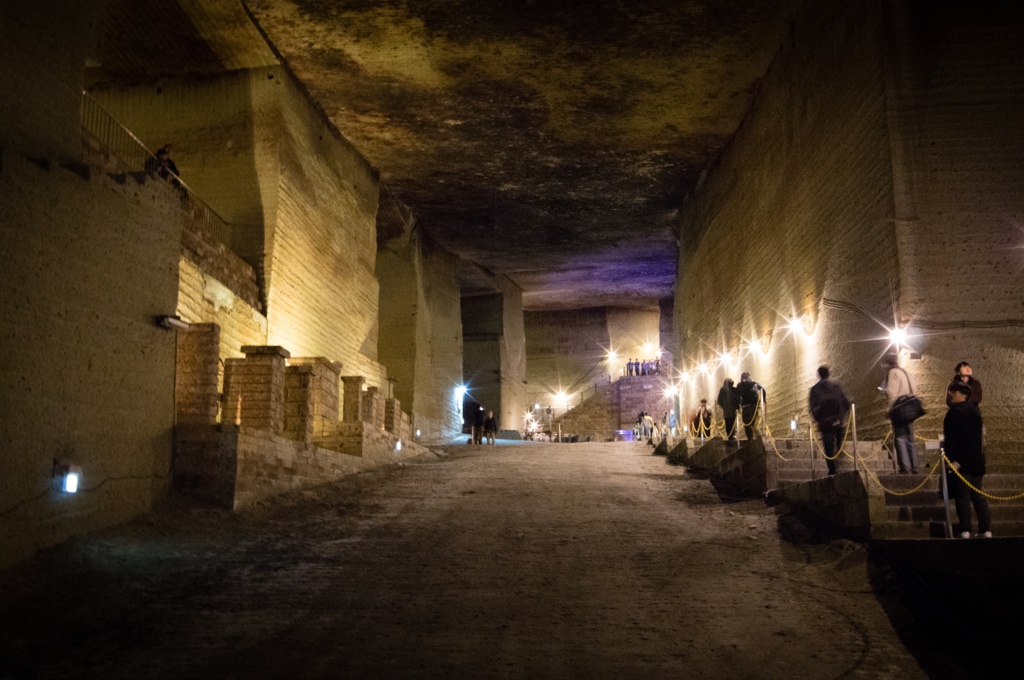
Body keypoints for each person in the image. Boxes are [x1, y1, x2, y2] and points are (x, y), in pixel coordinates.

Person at [944, 382, 991, 538]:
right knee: (978, 496)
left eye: (954, 391)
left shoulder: (954, 413)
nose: (952, 394)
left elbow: (952, 440)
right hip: (977, 461)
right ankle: (985, 529)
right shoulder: (975, 412)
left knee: (962, 495)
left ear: (963, 394)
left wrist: (951, 461)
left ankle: (965, 529)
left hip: (961, 462)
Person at [880, 354, 920, 474]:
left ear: (888, 364)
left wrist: (889, 409)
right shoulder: (907, 373)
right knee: (910, 438)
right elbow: (914, 390)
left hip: (900, 408)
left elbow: (892, 392)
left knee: (900, 438)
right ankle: (915, 467)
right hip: (910, 407)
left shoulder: (893, 373)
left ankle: (905, 467)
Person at [808, 366, 851, 476]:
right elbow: (846, 403)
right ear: (828, 374)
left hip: (825, 423)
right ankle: (839, 455)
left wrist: (819, 419)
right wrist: (840, 416)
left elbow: (813, 407)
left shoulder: (815, 390)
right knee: (838, 442)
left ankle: (832, 469)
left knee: (828, 447)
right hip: (838, 421)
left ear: (819, 375)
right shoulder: (836, 387)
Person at [735, 372, 766, 441]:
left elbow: (737, 397)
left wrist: (738, 406)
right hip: (755, 406)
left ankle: (750, 439)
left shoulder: (740, 385)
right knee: (754, 423)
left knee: (747, 424)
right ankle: (759, 438)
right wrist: (764, 401)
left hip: (746, 406)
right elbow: (763, 390)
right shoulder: (755, 383)